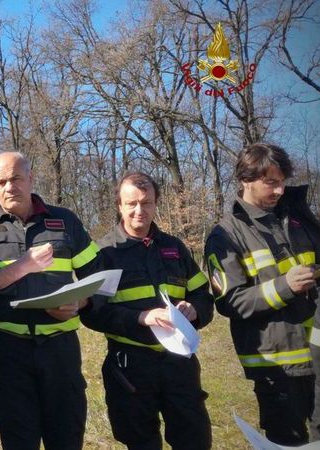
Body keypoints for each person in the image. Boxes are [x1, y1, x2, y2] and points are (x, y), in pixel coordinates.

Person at [0, 151, 101, 450]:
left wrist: (80, 303)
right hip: (5, 352)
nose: (9, 187)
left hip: (60, 350)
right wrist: (21, 266)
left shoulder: (64, 221)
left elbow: (97, 277)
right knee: (18, 439)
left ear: (31, 178)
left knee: (66, 437)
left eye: (15, 178)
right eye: (0, 182)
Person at [81, 172, 213, 449]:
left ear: (156, 204)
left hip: (180, 363)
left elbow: (202, 294)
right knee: (141, 442)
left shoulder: (174, 248)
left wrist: (194, 310)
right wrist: (140, 317)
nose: (139, 210)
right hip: (131, 366)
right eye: (131, 204)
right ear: (119, 205)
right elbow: (93, 313)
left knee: (195, 439)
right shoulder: (104, 253)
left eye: (146, 203)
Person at [204, 143, 318, 446]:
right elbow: (230, 302)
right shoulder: (225, 235)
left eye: (282, 182)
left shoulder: (298, 220)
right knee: (288, 443)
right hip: (277, 368)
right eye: (271, 182)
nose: (280, 190)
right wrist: (285, 287)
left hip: (317, 356)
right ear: (246, 179)